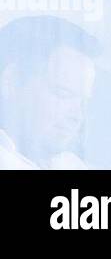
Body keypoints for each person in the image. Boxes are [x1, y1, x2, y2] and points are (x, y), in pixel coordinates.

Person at [0, 16, 100, 170]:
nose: (78, 116)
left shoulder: (72, 165)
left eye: (83, 102)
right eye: (64, 94)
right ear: (12, 81)